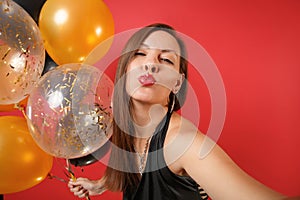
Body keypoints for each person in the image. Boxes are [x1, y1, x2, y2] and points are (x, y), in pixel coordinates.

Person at [68, 23, 299, 200]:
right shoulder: (126, 127)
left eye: (166, 59)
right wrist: (100, 185)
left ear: (177, 84)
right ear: (125, 70)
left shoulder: (184, 144)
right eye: (140, 54)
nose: (151, 64)